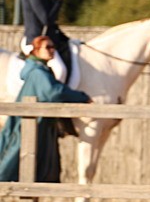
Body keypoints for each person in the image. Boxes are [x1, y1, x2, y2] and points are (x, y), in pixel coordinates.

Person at [0, 36, 92, 185]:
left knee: (37, 168)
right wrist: (82, 97)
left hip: (40, 125)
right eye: (47, 47)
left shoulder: (42, 70)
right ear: (36, 50)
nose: (52, 50)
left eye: (52, 47)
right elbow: (53, 92)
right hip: (32, 126)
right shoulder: (38, 73)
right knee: (11, 166)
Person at [21, 0, 72, 84]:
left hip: (46, 39)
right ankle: (51, 100)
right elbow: (46, 19)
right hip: (35, 42)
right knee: (60, 70)